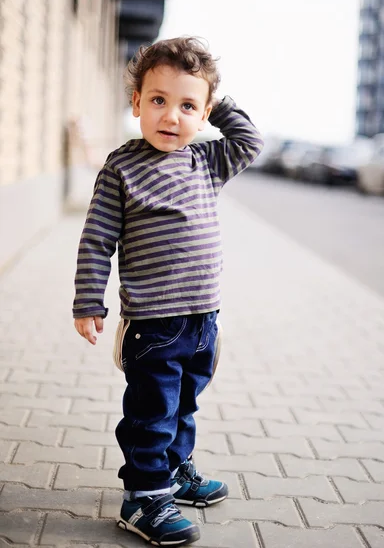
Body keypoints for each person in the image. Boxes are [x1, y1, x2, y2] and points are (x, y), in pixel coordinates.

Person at [73, 37, 263, 546]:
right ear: (135, 103)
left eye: (187, 106)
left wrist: (214, 98)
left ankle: (174, 473)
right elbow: (97, 239)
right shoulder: (122, 167)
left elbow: (250, 142)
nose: (171, 116)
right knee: (152, 411)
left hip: (204, 319)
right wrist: (89, 300)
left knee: (184, 404)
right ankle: (143, 496)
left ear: (203, 116)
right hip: (155, 323)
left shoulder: (205, 161)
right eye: (158, 100)